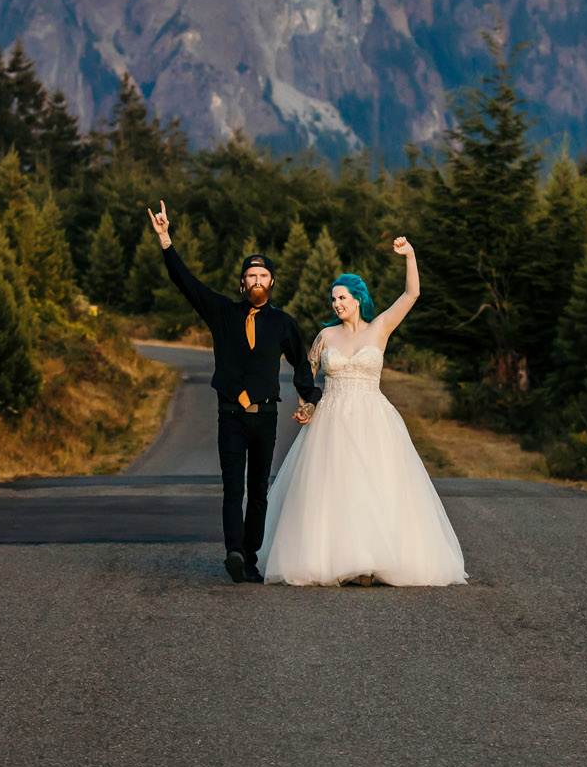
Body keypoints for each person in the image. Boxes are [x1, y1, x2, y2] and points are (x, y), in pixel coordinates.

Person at [257, 236, 467, 587]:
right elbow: (306, 377)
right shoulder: (325, 337)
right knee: (335, 488)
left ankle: (374, 561)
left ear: (358, 299)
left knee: (375, 486)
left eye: (342, 297)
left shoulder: (380, 328)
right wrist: (306, 407)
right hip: (332, 418)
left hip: (372, 415)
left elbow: (411, 295)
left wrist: (410, 255)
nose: (337, 303)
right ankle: (342, 560)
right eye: (333, 299)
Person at [147, 200, 320, 584]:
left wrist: (309, 397)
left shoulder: (282, 323)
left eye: (263, 277)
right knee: (232, 488)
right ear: (242, 282)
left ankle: (251, 557)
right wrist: (165, 240)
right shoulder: (222, 312)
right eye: (250, 277)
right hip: (230, 415)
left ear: (271, 282)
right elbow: (186, 283)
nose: (256, 282)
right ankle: (234, 552)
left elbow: (301, 365)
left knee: (258, 491)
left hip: (265, 417)